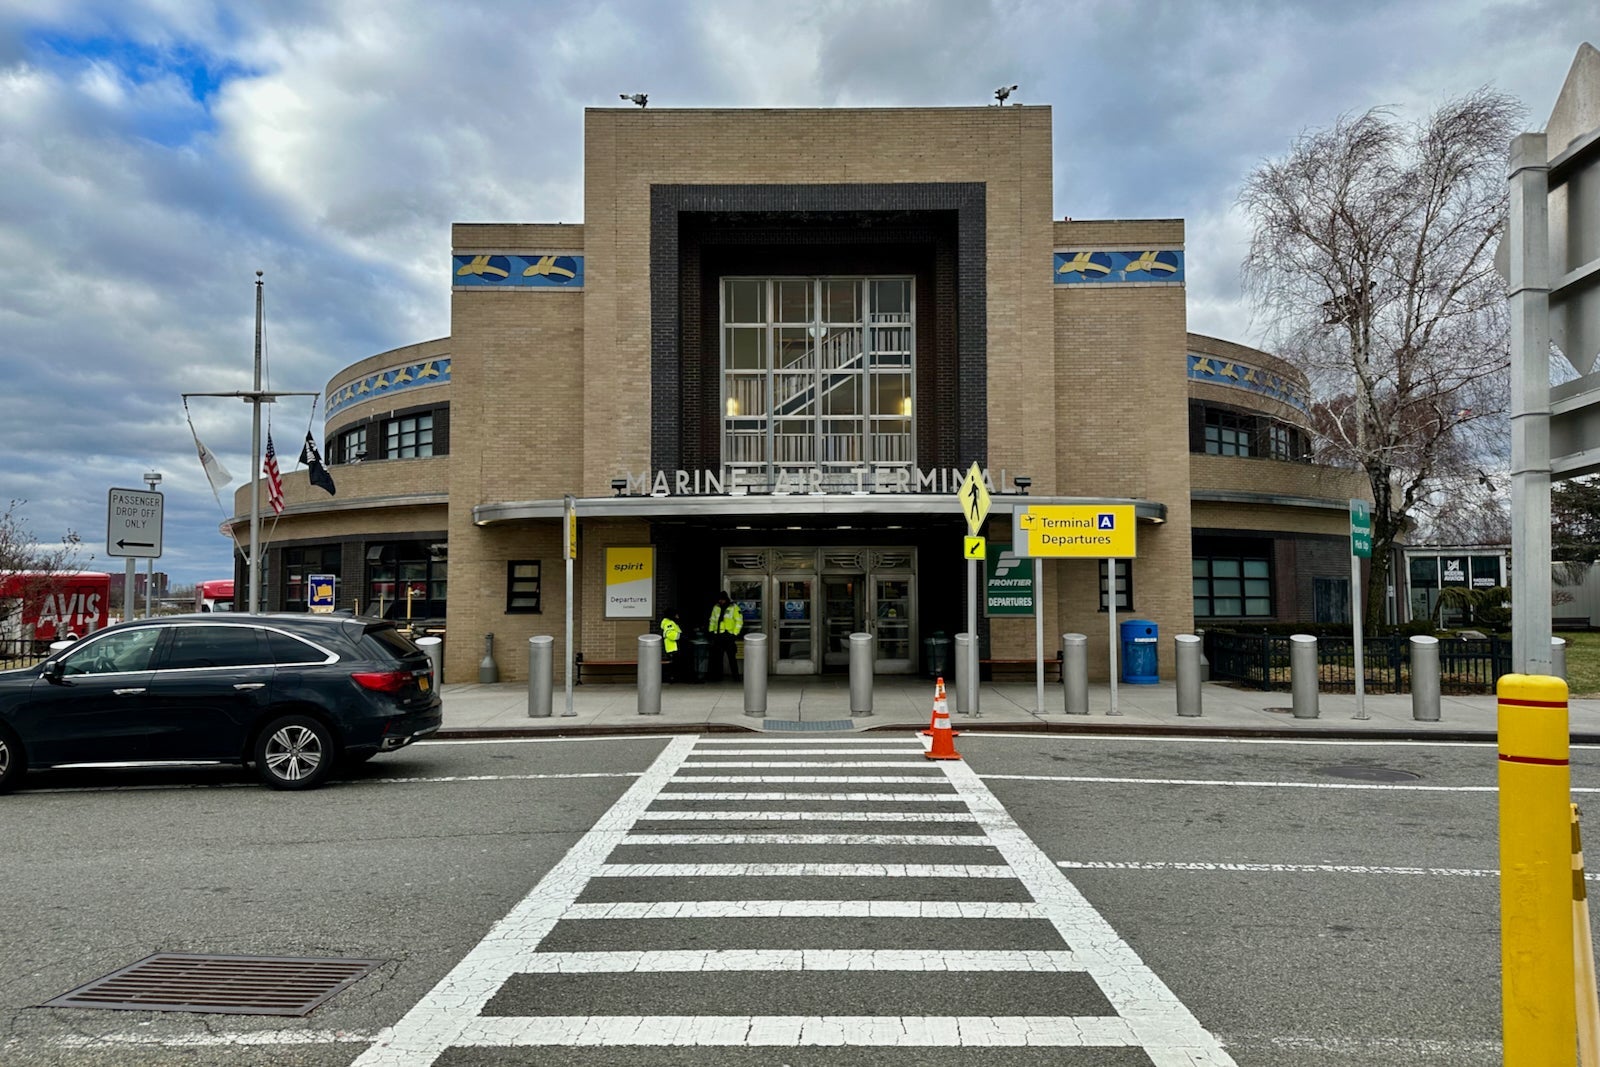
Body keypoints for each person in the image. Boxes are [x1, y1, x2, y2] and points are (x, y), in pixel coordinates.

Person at [708, 590, 743, 681]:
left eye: (722, 599)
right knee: (718, 658)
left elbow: (739, 621)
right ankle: (718, 676)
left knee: (732, 658)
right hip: (718, 635)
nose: (721, 601)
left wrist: (735, 634)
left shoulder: (734, 607)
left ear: (726, 599)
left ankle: (736, 677)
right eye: (719, 599)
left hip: (729, 636)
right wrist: (711, 632)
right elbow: (712, 620)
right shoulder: (716, 607)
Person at [659, 610, 683, 683]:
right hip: (672, 647)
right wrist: (680, 636)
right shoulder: (669, 623)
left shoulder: (669, 622)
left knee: (673, 664)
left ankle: (672, 678)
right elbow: (670, 635)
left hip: (671, 646)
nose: (677, 616)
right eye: (676, 615)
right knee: (673, 664)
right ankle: (671, 678)